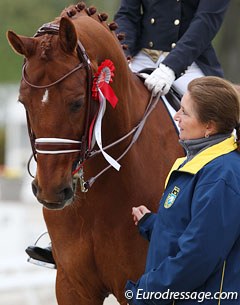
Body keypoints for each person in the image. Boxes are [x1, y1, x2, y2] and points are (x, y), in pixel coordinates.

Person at [126, 76, 240, 305]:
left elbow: (197, 256)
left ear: (209, 126)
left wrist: (146, 293)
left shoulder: (221, 176)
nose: (176, 116)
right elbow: (190, 230)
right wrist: (152, 224)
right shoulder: (195, 163)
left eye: (185, 112)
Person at [114, 0, 230, 96]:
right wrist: (123, 54)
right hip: (140, 56)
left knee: (217, 111)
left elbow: (206, 22)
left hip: (188, 61)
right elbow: (126, 15)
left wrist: (171, 68)